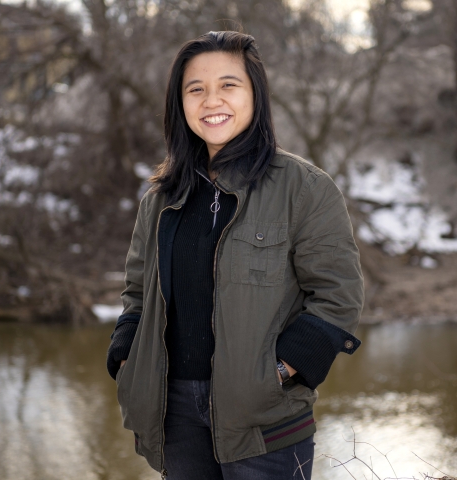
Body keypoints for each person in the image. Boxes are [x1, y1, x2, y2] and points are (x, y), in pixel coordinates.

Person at [106, 31, 364, 480]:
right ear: (179, 103)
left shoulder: (304, 188)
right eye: (196, 89)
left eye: (228, 84)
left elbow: (338, 295)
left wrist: (279, 372)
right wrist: (126, 357)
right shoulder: (161, 198)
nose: (211, 100)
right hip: (174, 417)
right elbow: (137, 292)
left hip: (266, 422)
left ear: (255, 95)